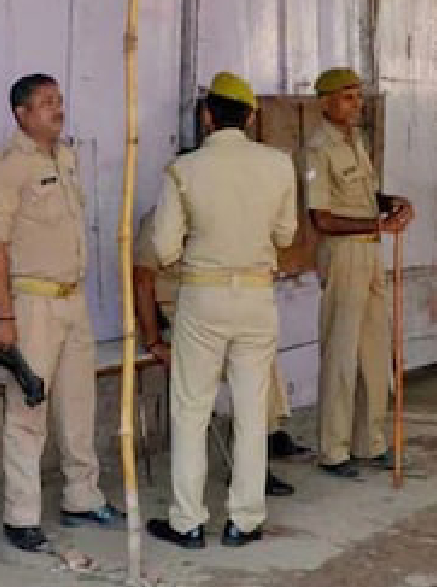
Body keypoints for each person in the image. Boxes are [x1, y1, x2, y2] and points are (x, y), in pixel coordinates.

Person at [145, 72, 297, 549]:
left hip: (202, 297)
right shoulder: (279, 165)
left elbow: (163, 248)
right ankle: (245, 520)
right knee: (252, 409)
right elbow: (286, 235)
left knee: (191, 410)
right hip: (256, 296)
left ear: (208, 116)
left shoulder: (183, 170)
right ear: (249, 118)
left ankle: (188, 522)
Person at [0, 74, 124, 554]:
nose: (57, 110)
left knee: (78, 402)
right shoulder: (5, 168)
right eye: (45, 103)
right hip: (32, 302)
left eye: (59, 100)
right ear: (21, 113)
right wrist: (4, 316)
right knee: (29, 408)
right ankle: (21, 515)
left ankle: (82, 495)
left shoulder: (66, 157)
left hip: (72, 298)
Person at [132, 208, 304, 498]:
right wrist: (153, 342)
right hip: (180, 315)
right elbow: (142, 280)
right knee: (239, 371)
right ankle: (251, 462)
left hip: (216, 310)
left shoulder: (211, 210)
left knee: (260, 360)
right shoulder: (159, 220)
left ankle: (261, 443)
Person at [305, 68, 413, 480]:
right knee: (341, 352)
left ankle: (370, 441)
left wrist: (392, 203)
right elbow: (322, 218)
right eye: (348, 97)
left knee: (374, 349)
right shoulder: (317, 149)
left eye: (359, 97)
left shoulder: (357, 141)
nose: (357, 104)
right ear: (326, 102)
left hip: (370, 251)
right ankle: (333, 449)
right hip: (344, 254)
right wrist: (378, 225)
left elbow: (366, 197)